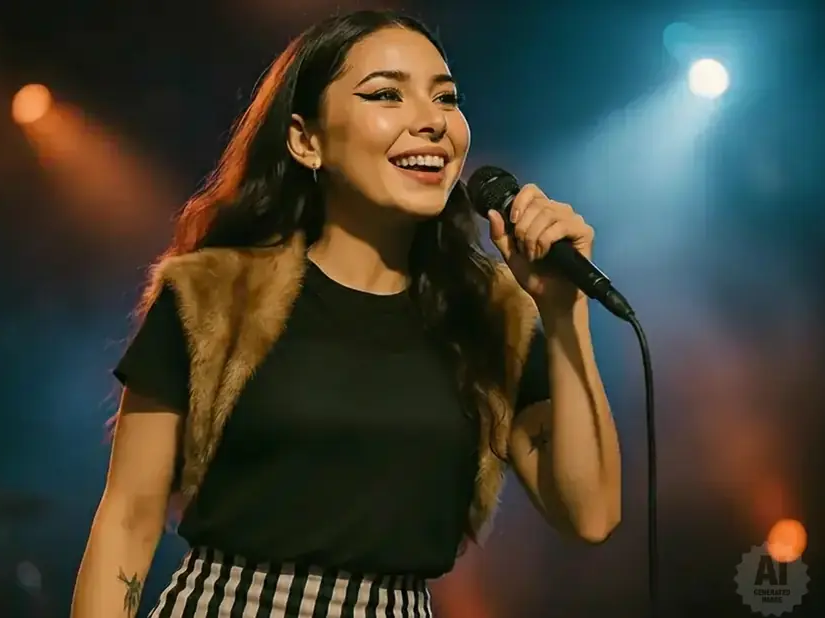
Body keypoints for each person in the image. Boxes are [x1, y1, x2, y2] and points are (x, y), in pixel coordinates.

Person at [71, 9, 621, 618]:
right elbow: (127, 518)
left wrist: (565, 311)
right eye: (386, 94)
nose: (431, 121)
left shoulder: (489, 316)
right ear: (307, 140)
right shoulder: (212, 296)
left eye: (446, 98)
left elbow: (591, 515)